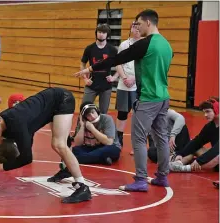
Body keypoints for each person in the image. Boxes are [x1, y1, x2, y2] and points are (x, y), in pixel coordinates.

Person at [74, 9, 173, 192]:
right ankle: (162, 176)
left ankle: (141, 179)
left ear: (148, 23)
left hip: (148, 98)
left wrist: (90, 69)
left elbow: (116, 58)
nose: (137, 28)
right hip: (163, 97)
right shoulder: (167, 45)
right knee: (161, 138)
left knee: (138, 139)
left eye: (139, 24)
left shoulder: (146, 44)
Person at [0, 87, 92, 203]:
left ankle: (83, 187)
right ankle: (67, 168)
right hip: (50, 102)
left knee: (58, 144)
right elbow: (29, 133)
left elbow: (27, 158)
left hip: (61, 99)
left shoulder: (15, 122)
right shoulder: (2, 123)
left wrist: (1, 167)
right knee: (59, 142)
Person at [47, 102, 121, 182]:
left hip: (110, 147)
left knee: (105, 151)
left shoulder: (106, 119)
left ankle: (68, 167)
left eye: (93, 112)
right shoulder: (83, 121)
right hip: (92, 148)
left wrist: (92, 129)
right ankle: (102, 159)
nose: (92, 117)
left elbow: (109, 142)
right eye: (88, 115)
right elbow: (78, 143)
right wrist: (82, 126)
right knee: (73, 151)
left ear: (97, 111)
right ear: (85, 117)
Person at [106, 22, 141, 149]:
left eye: (138, 27)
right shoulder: (124, 44)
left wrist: (135, 78)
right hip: (124, 85)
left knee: (139, 115)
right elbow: (118, 63)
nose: (136, 30)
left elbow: (148, 67)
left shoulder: (145, 44)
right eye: (134, 27)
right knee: (122, 113)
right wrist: (124, 77)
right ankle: (118, 140)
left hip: (139, 85)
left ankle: (138, 144)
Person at [169, 98, 219, 172]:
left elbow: (217, 149)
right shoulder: (210, 126)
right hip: (215, 159)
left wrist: (199, 160)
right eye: (204, 112)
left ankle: (186, 168)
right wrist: (180, 154)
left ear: (217, 109)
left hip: (217, 157)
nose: (205, 115)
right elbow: (197, 142)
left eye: (208, 111)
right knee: (195, 146)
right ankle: (179, 163)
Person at [80, 23, 118, 114]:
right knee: (84, 109)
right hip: (91, 84)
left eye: (104, 32)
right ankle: (80, 127)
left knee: (103, 112)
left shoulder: (112, 50)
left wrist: (114, 77)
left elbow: (120, 65)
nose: (101, 34)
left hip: (106, 86)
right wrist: (85, 79)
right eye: (99, 32)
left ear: (107, 35)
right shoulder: (89, 48)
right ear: (96, 33)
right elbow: (82, 64)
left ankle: (100, 128)